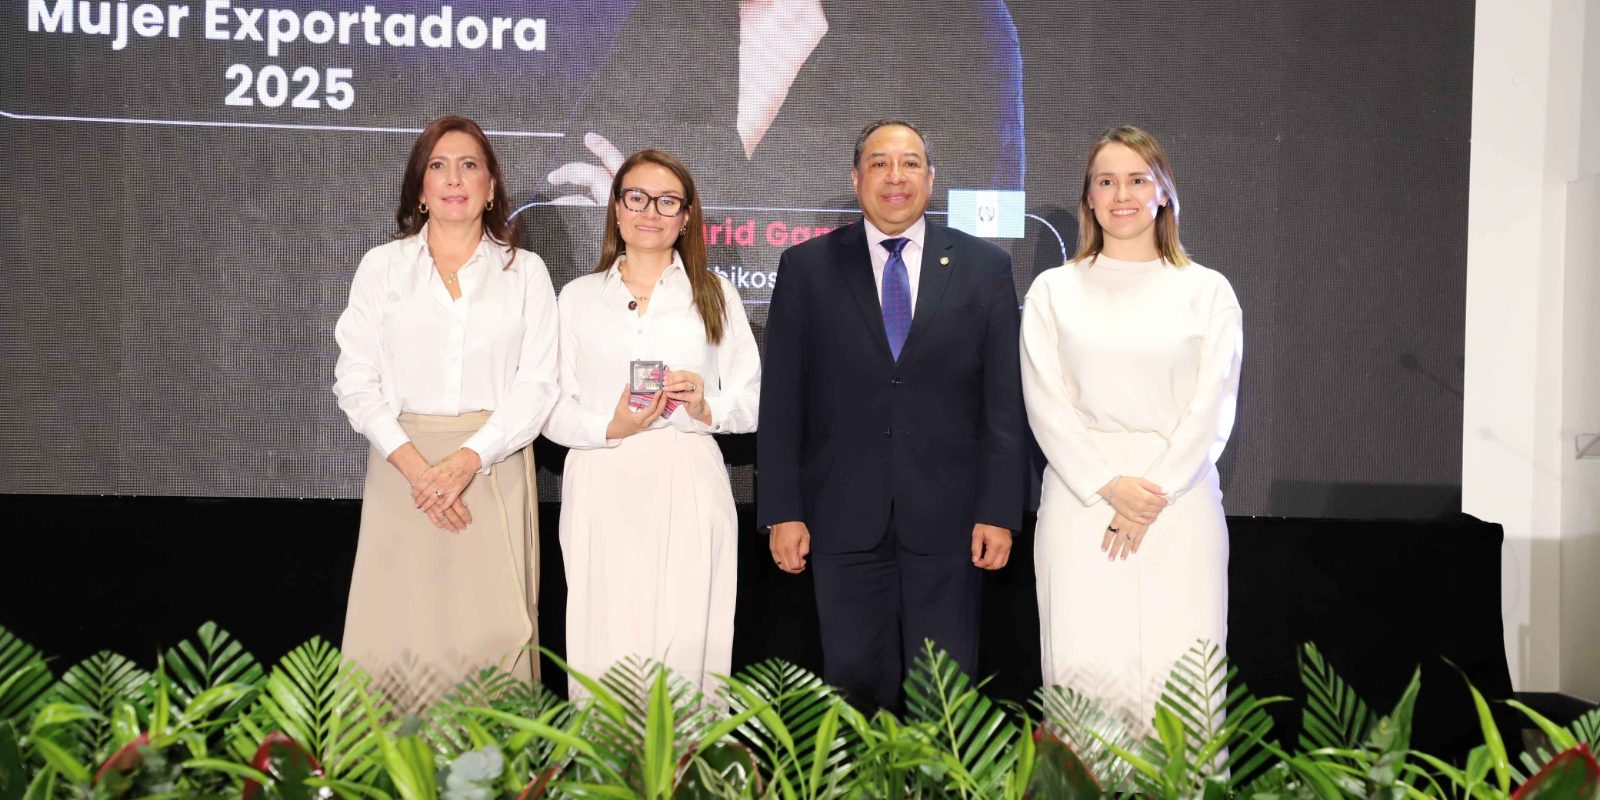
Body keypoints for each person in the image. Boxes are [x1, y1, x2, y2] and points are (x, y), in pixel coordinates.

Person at [758, 119, 1028, 713]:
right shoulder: (807, 267)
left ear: (931, 178)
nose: (895, 176)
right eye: (879, 163)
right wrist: (782, 510)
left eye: (909, 163)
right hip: (840, 519)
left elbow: (1004, 405)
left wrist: (999, 512)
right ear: (857, 179)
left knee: (946, 697)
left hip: (953, 522)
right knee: (852, 689)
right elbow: (781, 402)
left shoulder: (984, 268)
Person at [333, 115, 560, 711]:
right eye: (438, 166)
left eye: (469, 166)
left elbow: (539, 384)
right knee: (395, 636)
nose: (453, 179)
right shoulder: (382, 268)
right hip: (401, 472)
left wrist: (464, 462)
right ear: (420, 188)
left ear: (491, 187)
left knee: (490, 639)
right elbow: (355, 379)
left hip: (492, 466)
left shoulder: (525, 272)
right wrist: (420, 472)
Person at [1020, 126, 1243, 732]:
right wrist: (1109, 486)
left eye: (1137, 180)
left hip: (1181, 506)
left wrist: (1153, 493)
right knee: (1085, 679)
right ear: (1089, 198)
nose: (1122, 195)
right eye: (1106, 182)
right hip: (1082, 505)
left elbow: (1213, 409)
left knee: (1184, 687)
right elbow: (1045, 405)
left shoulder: (1207, 291)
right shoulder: (1053, 291)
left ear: (1163, 192)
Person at [543, 149, 761, 697]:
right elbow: (549, 407)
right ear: (617, 209)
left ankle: (686, 755)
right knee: (604, 644)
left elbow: (754, 400)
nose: (650, 212)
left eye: (667, 202)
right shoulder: (577, 298)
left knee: (687, 647)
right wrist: (610, 426)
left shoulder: (715, 294)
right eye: (636, 198)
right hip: (602, 476)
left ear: (686, 217)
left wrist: (705, 407)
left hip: (688, 475)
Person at [543, 1, 1024, 207]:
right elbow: (567, 193)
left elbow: (980, 229)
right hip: (681, 340)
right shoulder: (674, 13)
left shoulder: (955, 19)